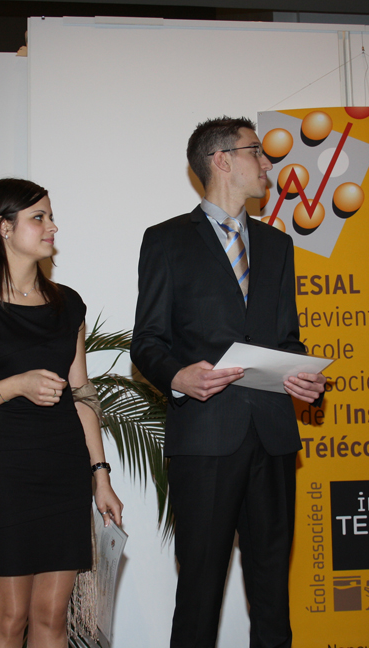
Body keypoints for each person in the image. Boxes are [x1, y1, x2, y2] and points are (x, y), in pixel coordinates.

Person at [131, 116, 326, 648]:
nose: (267, 163)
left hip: (273, 436)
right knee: (200, 591)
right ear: (222, 160)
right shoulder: (166, 240)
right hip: (206, 438)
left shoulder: (277, 245)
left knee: (272, 593)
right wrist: (177, 376)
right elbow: (146, 342)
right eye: (256, 151)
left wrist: (305, 377)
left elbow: (287, 339)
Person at [0, 178, 122, 648]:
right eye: (39, 217)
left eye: (51, 216)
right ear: (4, 227)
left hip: (65, 469)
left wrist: (101, 476)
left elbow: (82, 397)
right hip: (5, 472)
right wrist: (13, 386)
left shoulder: (68, 304)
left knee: (52, 616)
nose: (53, 226)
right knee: (10, 617)